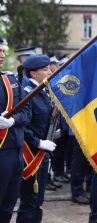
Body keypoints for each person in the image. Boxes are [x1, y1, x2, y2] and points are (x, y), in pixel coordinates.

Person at [16, 54, 57, 223]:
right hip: (30, 154)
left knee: (39, 201)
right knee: (29, 202)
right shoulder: (27, 95)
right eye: (45, 69)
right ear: (33, 74)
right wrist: (38, 142)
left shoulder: (44, 92)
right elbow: (23, 125)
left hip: (43, 153)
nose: (50, 71)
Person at [0, 36, 32, 223]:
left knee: (8, 205)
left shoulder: (10, 79)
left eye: (3, 51)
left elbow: (26, 111)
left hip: (15, 150)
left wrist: (12, 121)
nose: (2, 55)